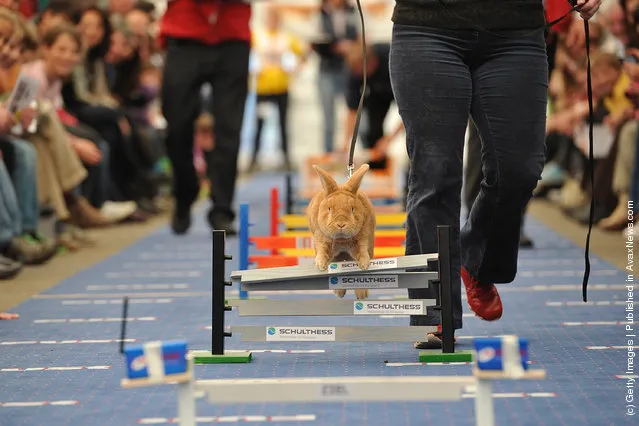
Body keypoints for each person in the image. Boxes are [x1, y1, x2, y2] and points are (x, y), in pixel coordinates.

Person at [388, 0, 602, 349]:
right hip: (427, 26)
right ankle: (436, 315)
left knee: (519, 170)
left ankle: (478, 262)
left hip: (516, 29)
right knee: (435, 174)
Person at [159, 0, 251, 235]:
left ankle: (222, 209)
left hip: (233, 33)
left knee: (229, 129)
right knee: (176, 125)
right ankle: (185, 190)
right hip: (184, 30)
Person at [341, 42, 403, 170]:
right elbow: (352, 110)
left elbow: (411, 113)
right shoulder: (354, 71)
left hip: (398, 88)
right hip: (377, 94)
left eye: (360, 73)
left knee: (414, 134)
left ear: (371, 63)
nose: (358, 76)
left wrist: (388, 140)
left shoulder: (394, 60)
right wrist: (346, 143)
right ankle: (376, 169)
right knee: (372, 134)